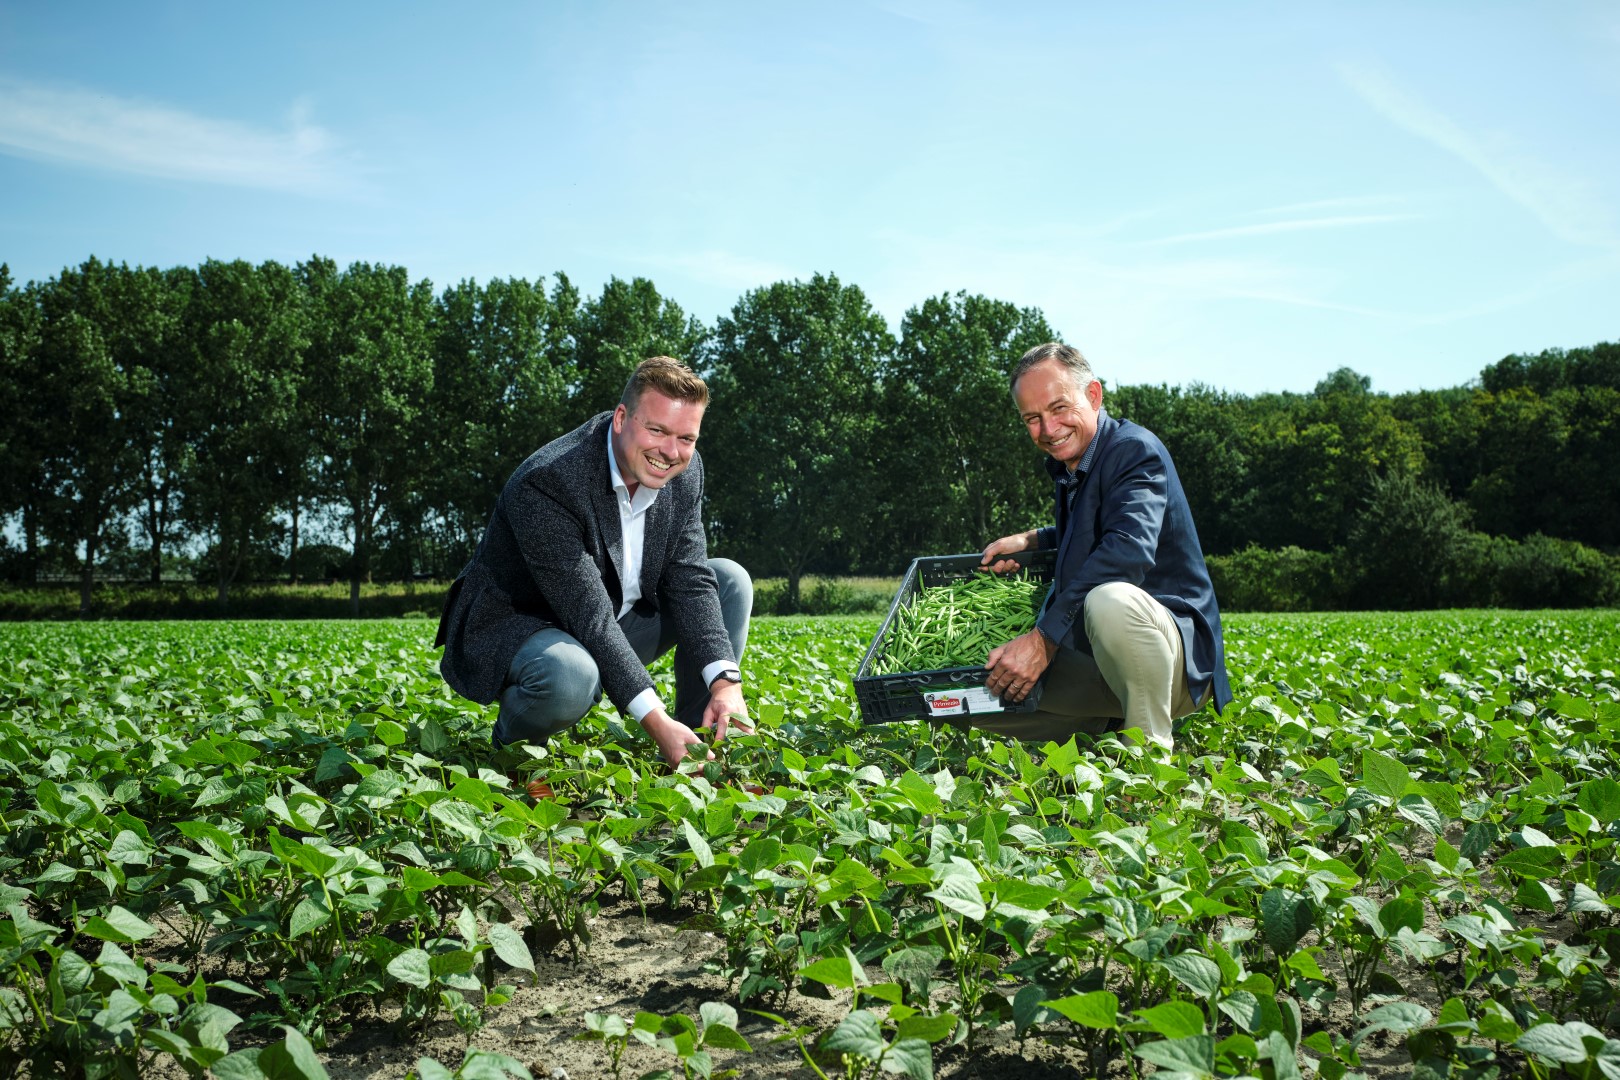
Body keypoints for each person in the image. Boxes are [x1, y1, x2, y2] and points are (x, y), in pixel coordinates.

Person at [435, 356, 752, 767]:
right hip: (523, 627)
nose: (670, 452)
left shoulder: (684, 471)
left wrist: (726, 685)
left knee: (728, 579)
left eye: (686, 438)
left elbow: (689, 577)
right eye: (656, 429)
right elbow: (589, 617)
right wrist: (654, 722)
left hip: (611, 618)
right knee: (570, 676)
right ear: (621, 418)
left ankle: (694, 747)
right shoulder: (549, 481)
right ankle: (515, 757)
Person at [975, 342, 1231, 752]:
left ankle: (1149, 758)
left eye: (1059, 408)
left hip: (1176, 663)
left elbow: (1126, 549)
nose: (1048, 429)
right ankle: (1101, 729)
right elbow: (1096, 528)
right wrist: (1032, 540)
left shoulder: (1133, 451)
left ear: (1093, 395)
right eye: (1033, 419)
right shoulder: (1073, 464)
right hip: (1105, 658)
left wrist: (1042, 640)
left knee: (1109, 599)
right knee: (972, 699)